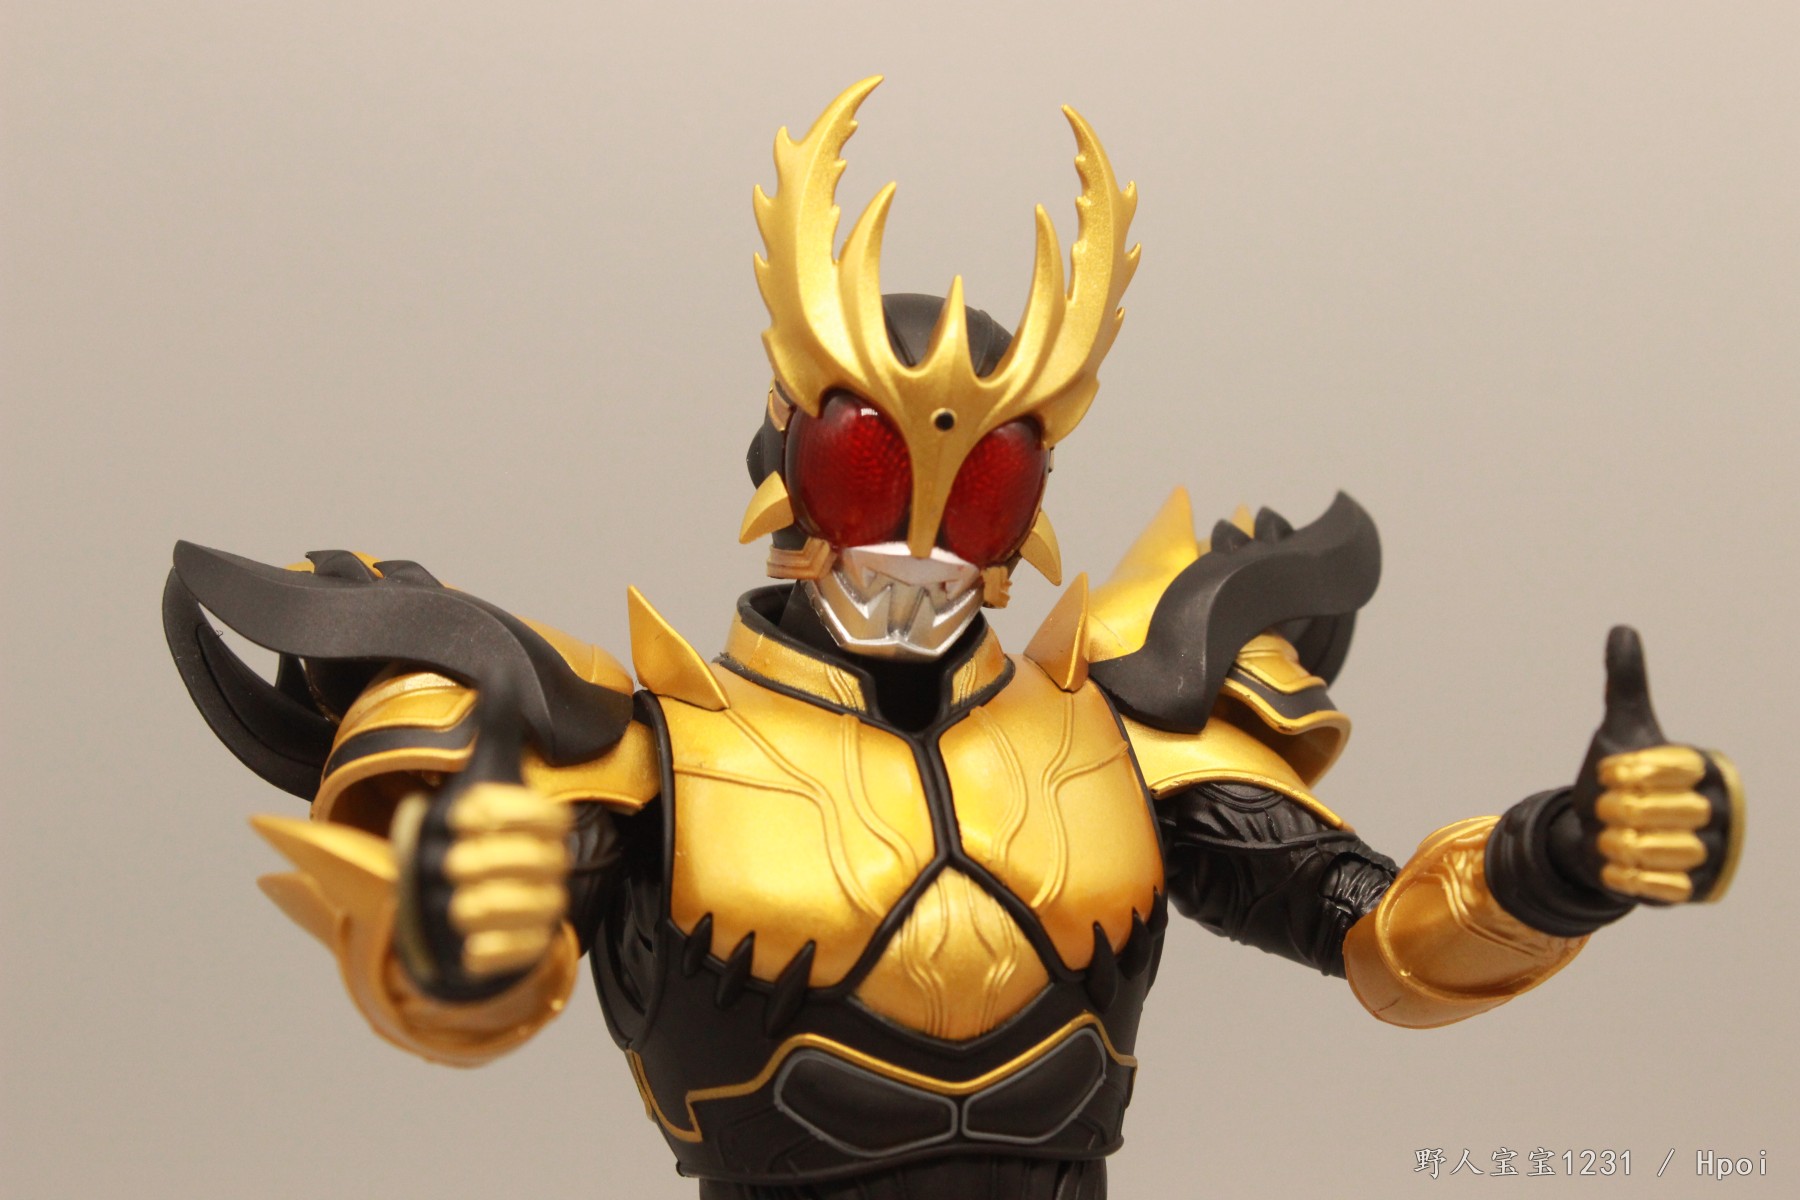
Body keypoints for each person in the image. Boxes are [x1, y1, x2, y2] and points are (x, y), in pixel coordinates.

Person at [161, 78, 1742, 1200]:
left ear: (1030, 502)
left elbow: (1384, 939)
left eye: (982, 483)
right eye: (870, 466)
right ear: (784, 463)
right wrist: (460, 922)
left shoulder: (1118, 732)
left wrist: (1552, 867)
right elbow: (464, 990)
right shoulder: (646, 753)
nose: (919, 528)